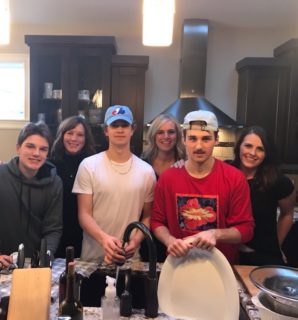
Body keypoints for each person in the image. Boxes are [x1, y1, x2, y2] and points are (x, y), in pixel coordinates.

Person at [151, 110, 255, 265]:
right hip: (179, 265)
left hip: (221, 268)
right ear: (184, 139)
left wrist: (216, 234)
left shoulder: (235, 178)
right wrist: (170, 241)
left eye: (206, 139)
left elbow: (246, 229)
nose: (199, 146)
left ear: (216, 139)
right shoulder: (168, 178)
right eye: (193, 138)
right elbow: (156, 222)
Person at [72, 105, 156, 264]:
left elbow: (147, 216)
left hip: (130, 259)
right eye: (114, 125)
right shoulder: (88, 165)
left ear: (132, 130)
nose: (120, 130)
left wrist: (136, 241)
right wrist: (104, 240)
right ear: (106, 130)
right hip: (93, 259)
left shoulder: (147, 172)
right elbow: (84, 215)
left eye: (124, 125)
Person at [0, 122, 63, 267]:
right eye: (30, 146)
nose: (36, 153)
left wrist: (45, 257)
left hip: (35, 266)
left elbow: (53, 229)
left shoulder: (55, 184)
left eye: (43, 149)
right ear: (18, 148)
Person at [231, 125, 295, 265]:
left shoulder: (277, 181)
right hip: (228, 254)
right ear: (239, 147)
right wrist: (180, 163)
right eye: (248, 146)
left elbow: (287, 214)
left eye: (260, 149)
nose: (252, 153)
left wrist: (277, 244)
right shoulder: (226, 172)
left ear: (267, 154)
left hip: (263, 257)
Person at [140, 114, 186, 262]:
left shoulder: (186, 164)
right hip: (145, 232)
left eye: (171, 132)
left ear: (178, 135)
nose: (166, 136)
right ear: (153, 135)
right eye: (160, 132)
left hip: (175, 234)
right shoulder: (142, 164)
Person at [51, 116, 95, 258]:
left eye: (80, 135)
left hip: (85, 233)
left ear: (86, 139)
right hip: (56, 230)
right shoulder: (50, 164)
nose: (74, 138)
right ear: (62, 135)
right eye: (69, 133)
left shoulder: (93, 165)